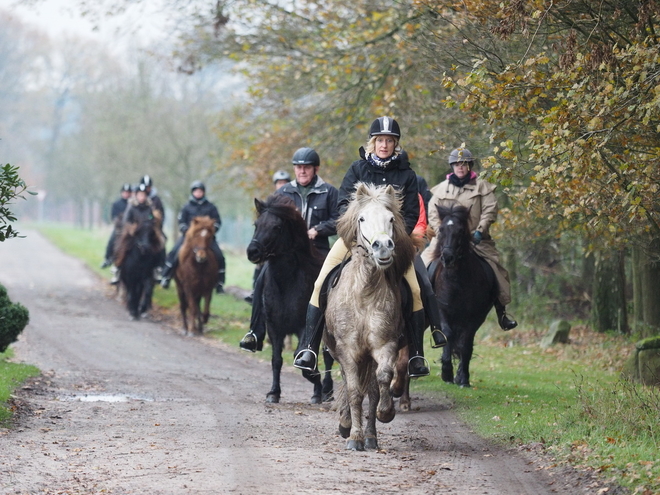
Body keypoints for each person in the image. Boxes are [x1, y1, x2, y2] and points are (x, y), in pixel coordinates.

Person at [293, 117, 447, 378]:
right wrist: (357, 235)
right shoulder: (357, 170)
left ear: (395, 144)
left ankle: (418, 355)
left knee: (420, 287)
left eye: (389, 141)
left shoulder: (407, 175)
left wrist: (396, 237)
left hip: (394, 243)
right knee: (320, 283)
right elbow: (343, 206)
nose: (384, 145)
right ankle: (309, 348)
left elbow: (410, 213)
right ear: (372, 143)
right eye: (380, 141)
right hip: (356, 240)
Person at [239, 147, 339, 352]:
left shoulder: (329, 192)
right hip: (286, 254)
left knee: (334, 281)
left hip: (317, 250)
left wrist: (318, 230)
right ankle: (255, 333)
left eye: (307, 168)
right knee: (260, 281)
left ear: (316, 169)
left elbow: (339, 219)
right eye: (298, 167)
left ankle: (332, 334)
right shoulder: (282, 193)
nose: (302, 171)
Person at [421, 148, 517, 330]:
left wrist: (480, 230)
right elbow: (432, 213)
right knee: (424, 268)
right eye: (457, 164)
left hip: (475, 240)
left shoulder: (483, 188)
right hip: (445, 240)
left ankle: (501, 312)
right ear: (452, 166)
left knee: (497, 271)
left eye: (464, 164)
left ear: (469, 166)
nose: (460, 167)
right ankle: (421, 309)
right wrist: (441, 232)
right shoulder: (441, 189)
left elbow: (490, 210)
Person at [160, 180, 226, 294]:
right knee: (174, 252)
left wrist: (211, 231)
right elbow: (181, 221)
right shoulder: (186, 207)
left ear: (203, 192)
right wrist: (187, 231)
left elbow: (218, 222)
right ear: (193, 192)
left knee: (219, 256)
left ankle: (219, 283)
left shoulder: (211, 207)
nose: (198, 193)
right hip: (189, 238)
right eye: (196, 191)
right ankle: (166, 276)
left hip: (206, 239)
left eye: (200, 191)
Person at [111, 183, 159, 284]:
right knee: (121, 244)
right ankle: (118, 266)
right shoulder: (131, 206)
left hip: (145, 232)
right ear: (136, 195)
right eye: (140, 195)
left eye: (144, 195)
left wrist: (151, 223)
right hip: (133, 233)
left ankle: (158, 267)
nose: (142, 197)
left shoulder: (149, 207)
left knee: (159, 242)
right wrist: (131, 227)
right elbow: (126, 220)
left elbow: (151, 217)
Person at [101, 183, 132, 269]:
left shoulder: (132, 204)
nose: (126, 194)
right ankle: (108, 258)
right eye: (125, 192)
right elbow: (113, 217)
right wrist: (120, 222)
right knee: (112, 240)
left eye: (128, 192)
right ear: (122, 193)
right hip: (120, 228)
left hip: (131, 228)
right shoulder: (116, 204)